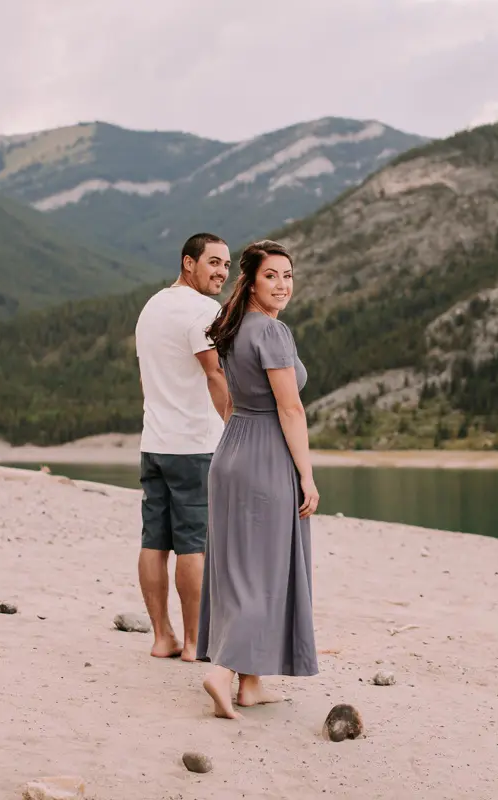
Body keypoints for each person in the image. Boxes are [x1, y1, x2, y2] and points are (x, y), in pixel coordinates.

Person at [196, 239, 320, 719]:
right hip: (265, 456)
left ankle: (251, 685)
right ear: (250, 280)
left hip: (231, 451)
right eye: (272, 275)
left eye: (288, 275)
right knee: (265, 574)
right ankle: (223, 672)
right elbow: (290, 407)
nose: (283, 284)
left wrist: (235, 446)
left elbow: (229, 402)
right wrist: (306, 476)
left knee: (237, 571)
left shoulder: (232, 327)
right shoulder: (271, 332)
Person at [133, 232, 231, 661]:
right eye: (213, 263)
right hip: (194, 445)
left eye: (226, 265)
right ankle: (194, 643)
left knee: (154, 542)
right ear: (188, 263)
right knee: (194, 545)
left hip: (154, 442)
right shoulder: (205, 310)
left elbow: (149, 374)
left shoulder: (152, 306)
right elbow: (215, 374)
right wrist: (235, 425)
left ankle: (162, 637)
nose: (222, 272)